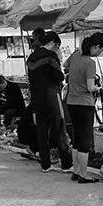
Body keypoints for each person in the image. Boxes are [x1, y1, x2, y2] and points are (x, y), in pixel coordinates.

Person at [26, 31, 72, 172]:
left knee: (42, 129)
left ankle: (45, 164)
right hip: (51, 94)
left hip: (37, 96)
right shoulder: (51, 56)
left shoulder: (32, 57)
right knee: (59, 127)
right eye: (57, 46)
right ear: (52, 42)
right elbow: (58, 76)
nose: (57, 49)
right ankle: (66, 164)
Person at [65, 32, 103, 183]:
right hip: (84, 104)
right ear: (96, 46)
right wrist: (97, 87)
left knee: (76, 139)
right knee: (84, 141)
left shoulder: (76, 54)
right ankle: (84, 175)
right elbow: (90, 87)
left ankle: (75, 171)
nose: (100, 54)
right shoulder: (90, 63)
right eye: (101, 50)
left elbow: (65, 66)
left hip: (71, 102)